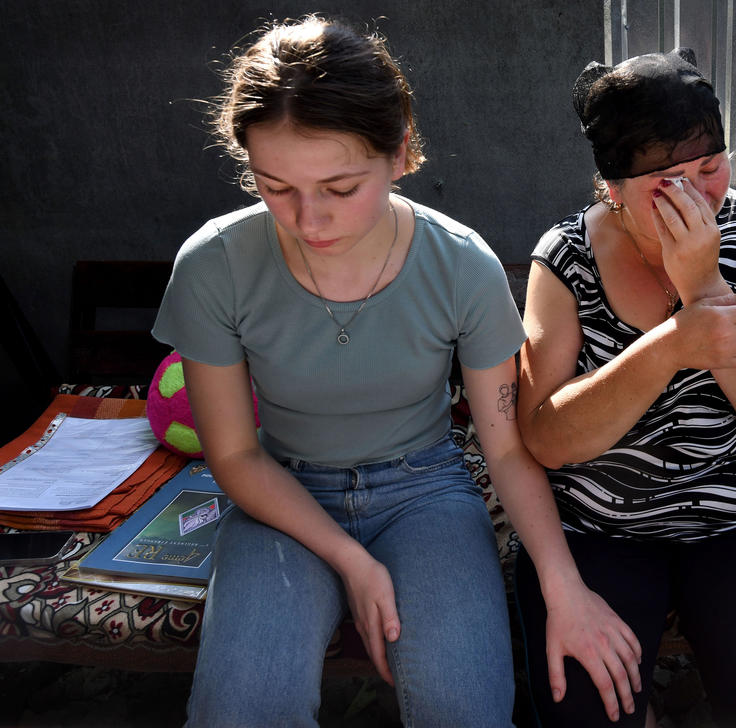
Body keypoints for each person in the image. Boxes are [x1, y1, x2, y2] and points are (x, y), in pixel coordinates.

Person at [153, 15, 640, 728]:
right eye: (274, 186)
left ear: (400, 151)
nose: (308, 220)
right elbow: (232, 453)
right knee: (240, 709)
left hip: (427, 491)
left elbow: (504, 447)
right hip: (281, 493)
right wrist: (352, 560)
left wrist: (563, 585)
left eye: (341, 188)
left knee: (464, 708)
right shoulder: (212, 266)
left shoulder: (461, 264)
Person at [514, 50, 736, 728]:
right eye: (663, 179)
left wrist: (704, 288)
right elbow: (544, 437)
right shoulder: (565, 258)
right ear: (611, 187)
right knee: (586, 709)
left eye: (709, 169)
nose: (694, 195)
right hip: (604, 525)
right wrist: (674, 346)